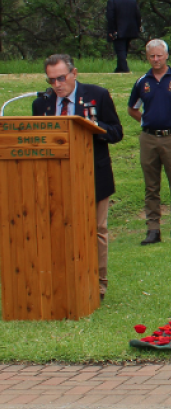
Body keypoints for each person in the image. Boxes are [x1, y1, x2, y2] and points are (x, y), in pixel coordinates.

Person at [31, 53, 124, 299]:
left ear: (74, 73)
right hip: (54, 179)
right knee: (55, 230)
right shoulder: (41, 104)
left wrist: (93, 127)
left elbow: (116, 132)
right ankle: (59, 282)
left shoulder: (98, 95)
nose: (56, 85)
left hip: (93, 175)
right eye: (51, 80)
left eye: (61, 78)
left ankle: (98, 284)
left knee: (96, 230)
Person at [128, 39, 171, 244]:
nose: (156, 60)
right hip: (149, 138)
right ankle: (153, 229)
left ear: (166, 56)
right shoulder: (142, 81)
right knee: (151, 185)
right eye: (152, 56)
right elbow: (133, 108)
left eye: (159, 55)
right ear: (147, 57)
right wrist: (145, 122)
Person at [105, 0, 141, 74]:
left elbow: (110, 17)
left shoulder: (112, 1)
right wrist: (138, 27)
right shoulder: (132, 1)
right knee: (124, 49)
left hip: (118, 30)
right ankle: (119, 68)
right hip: (131, 29)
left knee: (120, 50)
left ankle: (125, 69)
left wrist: (111, 30)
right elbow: (138, 15)